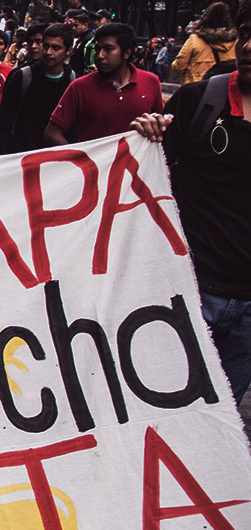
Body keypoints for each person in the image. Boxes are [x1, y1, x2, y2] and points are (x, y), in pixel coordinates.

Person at [130, 0, 251, 403]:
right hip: (191, 289)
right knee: (165, 405)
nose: (248, 46)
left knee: (222, 416)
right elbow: (144, 177)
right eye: (245, 34)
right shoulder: (200, 100)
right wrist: (146, 136)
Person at [46, 23, 164, 145]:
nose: (100, 56)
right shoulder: (79, 87)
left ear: (126, 53)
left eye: (108, 49)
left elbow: (161, 126)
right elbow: (52, 133)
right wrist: (79, 156)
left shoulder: (151, 82)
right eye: (97, 49)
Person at [0, 23, 76, 155]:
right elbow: (3, 123)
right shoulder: (22, 77)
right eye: (46, 46)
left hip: (56, 159)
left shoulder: (73, 82)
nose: (49, 52)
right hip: (21, 156)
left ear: (69, 51)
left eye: (56, 48)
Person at [172, 1, 237, 85]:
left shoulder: (195, 39)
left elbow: (178, 67)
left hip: (196, 88)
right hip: (223, 88)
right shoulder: (234, 42)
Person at [67, 9, 95, 76]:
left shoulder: (89, 40)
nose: (73, 28)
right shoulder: (82, 38)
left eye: (76, 26)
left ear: (85, 25)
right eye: (73, 26)